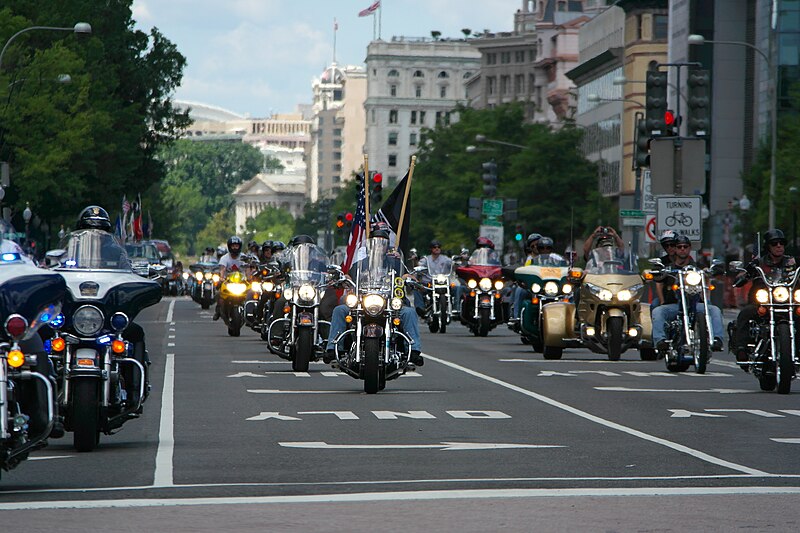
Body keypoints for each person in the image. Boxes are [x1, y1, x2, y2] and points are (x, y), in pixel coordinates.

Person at [325, 224, 423, 367]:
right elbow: (350, 275)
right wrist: (344, 279)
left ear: (386, 246)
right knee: (340, 310)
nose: (378, 245)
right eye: (375, 242)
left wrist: (409, 278)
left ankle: (413, 351)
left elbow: (405, 273)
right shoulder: (361, 264)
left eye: (382, 242)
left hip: (389, 303)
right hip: (363, 303)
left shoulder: (395, 263)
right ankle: (333, 349)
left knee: (408, 312)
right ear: (369, 245)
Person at [651, 234, 724, 356]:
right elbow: (658, 281)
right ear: (675, 249)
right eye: (679, 247)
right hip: (675, 306)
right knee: (657, 311)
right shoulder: (668, 268)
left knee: (715, 310)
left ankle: (716, 339)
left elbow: (707, 279)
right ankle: (660, 341)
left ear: (690, 248)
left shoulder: (698, 267)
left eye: (685, 246)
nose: (682, 249)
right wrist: (659, 274)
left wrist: (707, 288)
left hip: (696, 304)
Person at [733, 229, 797, 364]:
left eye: (781, 243)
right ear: (768, 247)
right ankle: (741, 349)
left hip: (789, 302)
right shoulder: (759, 263)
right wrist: (744, 276)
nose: (779, 246)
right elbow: (744, 276)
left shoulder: (792, 262)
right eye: (774, 243)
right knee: (745, 313)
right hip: (763, 302)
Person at [415, 239, 455, 317]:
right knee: (417, 289)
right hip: (429, 283)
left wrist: (458, 261)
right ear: (431, 249)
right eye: (434, 247)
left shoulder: (445, 259)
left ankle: (456, 308)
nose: (437, 248)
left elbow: (452, 264)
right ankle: (421, 308)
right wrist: (417, 264)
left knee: (457, 288)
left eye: (438, 247)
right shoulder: (426, 259)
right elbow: (419, 265)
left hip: (443, 283)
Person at [213, 236, 245, 320]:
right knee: (219, 293)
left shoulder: (244, 257)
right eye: (233, 246)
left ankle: (250, 312)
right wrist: (221, 278)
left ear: (240, 246)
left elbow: (248, 269)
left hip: (242, 282)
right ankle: (218, 310)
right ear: (229, 247)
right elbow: (222, 269)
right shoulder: (224, 258)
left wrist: (250, 278)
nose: (235, 248)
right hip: (228, 282)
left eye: (236, 246)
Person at [652, 230, 679, 308]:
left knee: (707, 304)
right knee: (654, 305)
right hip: (668, 295)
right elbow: (658, 282)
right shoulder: (661, 262)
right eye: (666, 245)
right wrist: (662, 301)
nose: (669, 247)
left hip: (687, 294)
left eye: (672, 245)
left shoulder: (686, 259)